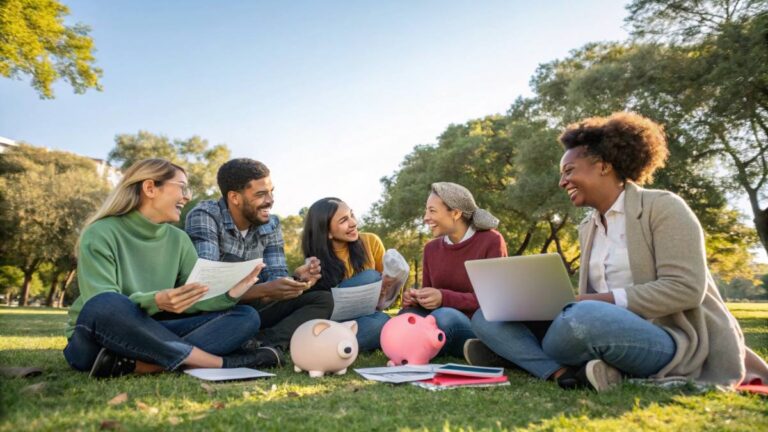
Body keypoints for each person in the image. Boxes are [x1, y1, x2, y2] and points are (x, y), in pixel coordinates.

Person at [467, 112, 768, 391]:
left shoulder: (663, 207)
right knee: (488, 316)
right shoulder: (589, 227)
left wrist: (597, 301)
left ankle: (516, 353)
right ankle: (558, 370)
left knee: (583, 317)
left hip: (665, 340)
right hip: (597, 325)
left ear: (604, 165)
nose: (562, 182)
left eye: (569, 170)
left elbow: (686, 289)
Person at [64, 159, 278, 379]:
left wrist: (231, 293)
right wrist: (155, 300)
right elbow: (101, 304)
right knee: (106, 303)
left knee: (246, 316)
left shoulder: (179, 239)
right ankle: (221, 363)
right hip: (99, 336)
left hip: (154, 333)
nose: (186, 197)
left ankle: (138, 365)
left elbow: (196, 296)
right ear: (150, 188)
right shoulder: (100, 233)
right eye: (182, 187)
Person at [185, 158, 333, 352]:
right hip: (216, 312)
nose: (270, 200)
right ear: (235, 198)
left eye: (272, 192)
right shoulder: (205, 216)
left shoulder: (271, 224)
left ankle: (264, 342)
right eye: (261, 194)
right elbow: (206, 288)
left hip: (254, 308)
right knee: (232, 264)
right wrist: (265, 290)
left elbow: (275, 278)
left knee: (322, 299)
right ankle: (245, 340)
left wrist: (295, 281)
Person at [400, 182, 507, 358]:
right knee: (406, 316)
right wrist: (417, 299)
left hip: (477, 323)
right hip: (438, 317)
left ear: (456, 213)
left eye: (432, 211)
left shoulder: (491, 241)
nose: (426, 217)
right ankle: (472, 350)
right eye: (426, 211)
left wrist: (443, 298)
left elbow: (494, 301)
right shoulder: (431, 249)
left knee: (445, 316)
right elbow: (430, 294)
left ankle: (485, 347)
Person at [301, 197, 397, 351]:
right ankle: (333, 343)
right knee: (370, 277)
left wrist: (385, 289)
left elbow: (382, 303)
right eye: (344, 220)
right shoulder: (315, 261)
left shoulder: (371, 241)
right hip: (332, 321)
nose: (353, 223)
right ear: (328, 233)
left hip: (362, 318)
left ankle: (329, 347)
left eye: (352, 215)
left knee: (383, 320)